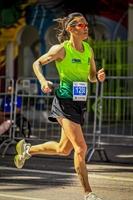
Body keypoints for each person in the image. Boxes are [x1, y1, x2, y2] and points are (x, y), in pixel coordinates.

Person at [14, 12, 106, 200]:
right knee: (81, 147)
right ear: (70, 29)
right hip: (64, 102)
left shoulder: (88, 49)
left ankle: (27, 150)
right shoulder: (61, 50)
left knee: (64, 150)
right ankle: (88, 194)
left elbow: (90, 76)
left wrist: (97, 77)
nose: (86, 27)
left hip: (80, 104)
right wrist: (42, 80)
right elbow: (37, 63)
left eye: (86, 24)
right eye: (81, 25)